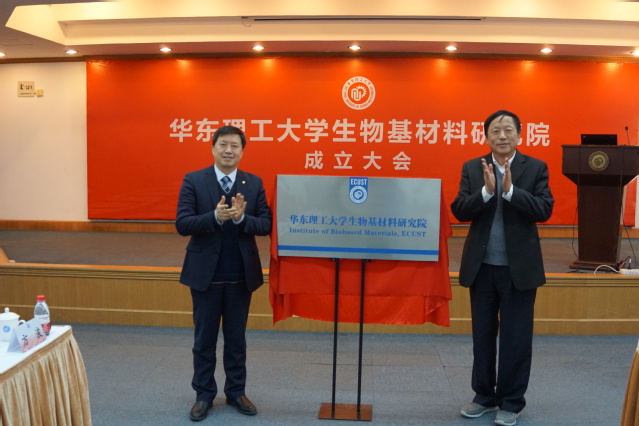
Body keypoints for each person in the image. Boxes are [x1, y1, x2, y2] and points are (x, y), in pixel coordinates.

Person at [450, 110, 554, 426]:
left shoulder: (535, 167)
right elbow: (459, 210)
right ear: (486, 136)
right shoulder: (473, 167)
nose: (502, 136)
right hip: (481, 268)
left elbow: (544, 209)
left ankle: (511, 401)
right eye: (495, 130)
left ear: (520, 135)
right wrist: (486, 192)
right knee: (482, 337)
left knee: (516, 339)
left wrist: (509, 192)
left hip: (518, 270)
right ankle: (484, 396)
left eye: (508, 129)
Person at [176, 125, 272, 422]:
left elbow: (266, 224)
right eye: (223, 145)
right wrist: (214, 217)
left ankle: (236, 392)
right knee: (204, 340)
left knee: (236, 341)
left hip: (240, 275)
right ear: (213, 147)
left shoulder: (253, 183)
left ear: (242, 151)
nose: (229, 150)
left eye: (235, 146)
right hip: (205, 276)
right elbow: (182, 223)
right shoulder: (194, 180)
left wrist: (242, 218)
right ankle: (204, 395)